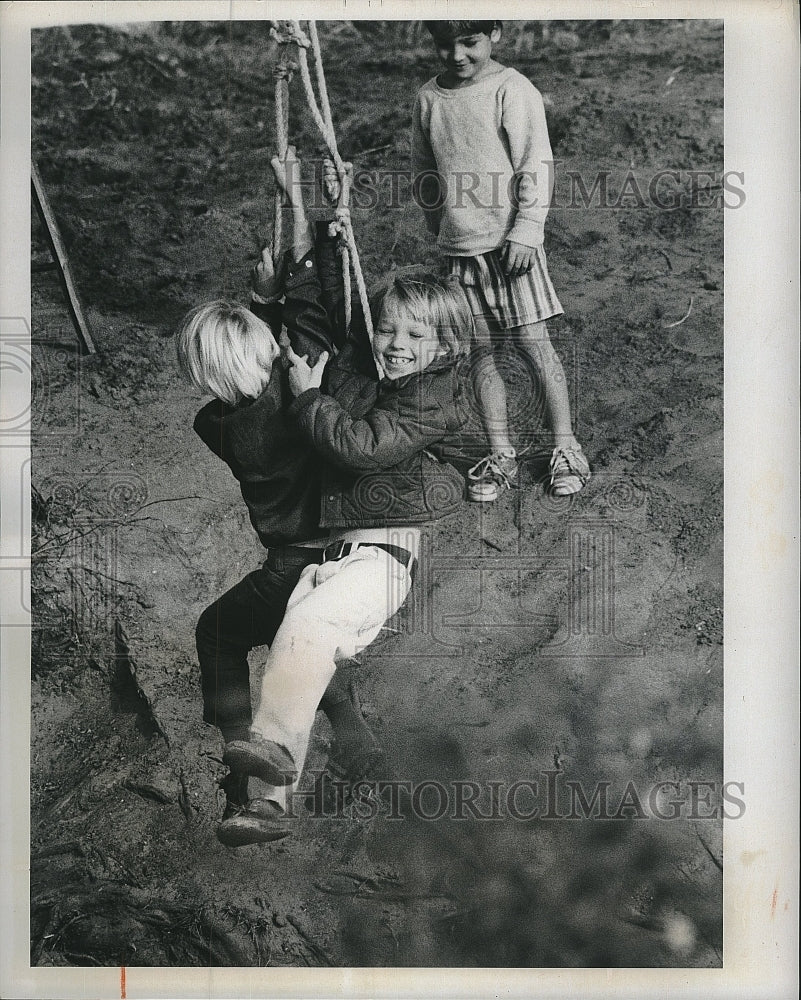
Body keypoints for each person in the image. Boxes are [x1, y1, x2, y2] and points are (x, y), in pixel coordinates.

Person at [176, 149, 472, 846]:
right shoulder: (304, 387)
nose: (390, 343)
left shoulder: (234, 414)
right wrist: (318, 231)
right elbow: (328, 316)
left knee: (285, 637)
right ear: (267, 359)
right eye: (389, 330)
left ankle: (253, 768)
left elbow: (327, 318)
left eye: (410, 335)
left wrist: (315, 227)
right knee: (299, 644)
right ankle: (301, 774)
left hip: (362, 550)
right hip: (339, 550)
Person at [412, 19, 591, 500]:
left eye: (469, 42)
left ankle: (565, 447)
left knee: (535, 346)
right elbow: (424, 169)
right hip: (460, 252)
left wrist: (528, 230)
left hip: (512, 247)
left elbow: (536, 160)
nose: (457, 55)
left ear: (494, 35)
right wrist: (441, 227)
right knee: (480, 354)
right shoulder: (429, 98)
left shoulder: (512, 90)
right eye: (444, 44)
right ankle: (501, 453)